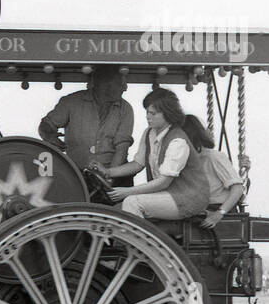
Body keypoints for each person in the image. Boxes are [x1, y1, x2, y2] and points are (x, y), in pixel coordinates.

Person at [95, 89, 208, 221]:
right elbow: (138, 164)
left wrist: (126, 192)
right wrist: (108, 172)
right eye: (147, 112)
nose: (148, 116)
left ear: (168, 114)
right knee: (115, 212)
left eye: (153, 113)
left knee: (132, 202)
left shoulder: (178, 142)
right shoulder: (149, 132)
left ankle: (134, 242)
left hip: (188, 198)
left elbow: (163, 183)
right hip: (168, 194)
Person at [38, 65, 133, 173]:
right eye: (121, 84)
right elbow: (46, 125)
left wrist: (110, 176)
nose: (125, 88)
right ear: (103, 85)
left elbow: (122, 148)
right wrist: (49, 136)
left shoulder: (126, 109)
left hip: (114, 174)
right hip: (77, 174)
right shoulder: (71, 102)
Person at [180, 116, 245, 228]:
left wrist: (219, 213)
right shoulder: (183, 161)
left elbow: (238, 188)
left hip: (217, 209)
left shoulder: (214, 157)